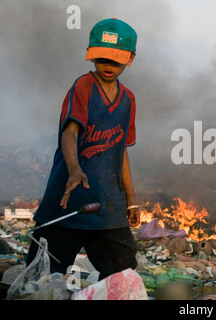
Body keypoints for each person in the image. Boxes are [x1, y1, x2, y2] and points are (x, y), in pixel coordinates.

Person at [27, 18, 141, 280]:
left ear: (130, 59)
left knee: (122, 273)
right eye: (102, 59)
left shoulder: (128, 99)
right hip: (68, 200)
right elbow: (70, 131)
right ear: (91, 56)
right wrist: (75, 169)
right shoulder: (84, 87)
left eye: (115, 60)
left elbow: (121, 150)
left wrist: (131, 200)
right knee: (42, 275)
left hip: (107, 205)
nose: (108, 66)